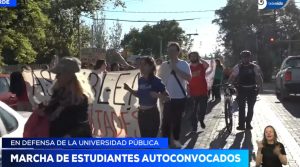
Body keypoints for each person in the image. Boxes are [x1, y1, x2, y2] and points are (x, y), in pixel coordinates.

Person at [39, 57, 94, 137]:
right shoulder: (57, 94)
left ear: (69, 75)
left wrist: (69, 136)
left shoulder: (80, 98)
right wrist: (42, 109)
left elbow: (82, 125)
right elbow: (50, 114)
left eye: (59, 73)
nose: (56, 77)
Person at [124, 57, 169, 137]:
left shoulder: (156, 80)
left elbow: (167, 98)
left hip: (152, 114)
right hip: (141, 114)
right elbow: (139, 95)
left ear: (151, 66)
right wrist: (129, 89)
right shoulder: (140, 80)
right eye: (140, 64)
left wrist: (158, 95)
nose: (141, 67)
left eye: (144, 64)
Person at [157, 42, 192, 147]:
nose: (171, 52)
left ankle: (176, 139)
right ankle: (165, 144)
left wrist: (176, 69)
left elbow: (189, 78)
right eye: (169, 50)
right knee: (165, 122)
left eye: (173, 50)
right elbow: (159, 80)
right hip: (167, 98)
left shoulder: (183, 64)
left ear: (178, 52)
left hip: (180, 98)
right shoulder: (164, 65)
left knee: (177, 121)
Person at [228, 50, 263, 130]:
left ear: (250, 58)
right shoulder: (238, 67)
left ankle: (248, 123)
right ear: (242, 58)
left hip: (252, 89)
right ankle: (241, 125)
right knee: (241, 108)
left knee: (250, 108)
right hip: (241, 89)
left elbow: (258, 77)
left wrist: (260, 86)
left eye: (247, 57)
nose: (245, 59)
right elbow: (232, 76)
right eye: (244, 57)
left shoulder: (254, 67)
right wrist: (229, 83)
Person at [188, 52, 209, 131]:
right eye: (191, 56)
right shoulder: (188, 67)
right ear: (189, 58)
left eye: (195, 56)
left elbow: (207, 65)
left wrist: (200, 59)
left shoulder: (201, 66)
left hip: (203, 92)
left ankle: (201, 119)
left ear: (197, 57)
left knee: (203, 109)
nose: (193, 57)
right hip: (192, 92)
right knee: (193, 111)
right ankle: (194, 127)